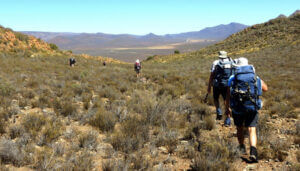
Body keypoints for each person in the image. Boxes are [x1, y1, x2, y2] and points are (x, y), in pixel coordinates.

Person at [225, 57, 268, 162]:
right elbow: (265, 88)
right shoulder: (254, 77)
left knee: (239, 128)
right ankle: (253, 152)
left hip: (237, 108)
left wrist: (227, 108)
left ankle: (241, 147)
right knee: (251, 129)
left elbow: (228, 95)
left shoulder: (232, 78)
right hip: (252, 107)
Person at [207, 51, 235, 121]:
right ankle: (228, 115)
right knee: (226, 99)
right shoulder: (231, 61)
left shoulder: (216, 62)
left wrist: (209, 86)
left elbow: (212, 75)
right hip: (227, 84)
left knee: (216, 98)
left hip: (217, 84)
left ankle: (218, 112)